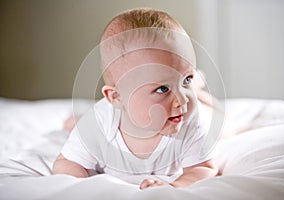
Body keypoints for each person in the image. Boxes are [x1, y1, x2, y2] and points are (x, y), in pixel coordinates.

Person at [52, 8, 220, 189]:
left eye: (187, 79)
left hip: (199, 114)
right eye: (162, 89)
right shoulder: (97, 124)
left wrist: (175, 186)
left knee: (216, 118)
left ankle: (198, 87)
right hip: (100, 118)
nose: (183, 100)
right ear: (116, 97)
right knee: (77, 125)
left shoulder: (191, 118)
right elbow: (67, 163)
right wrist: (84, 189)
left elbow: (204, 168)